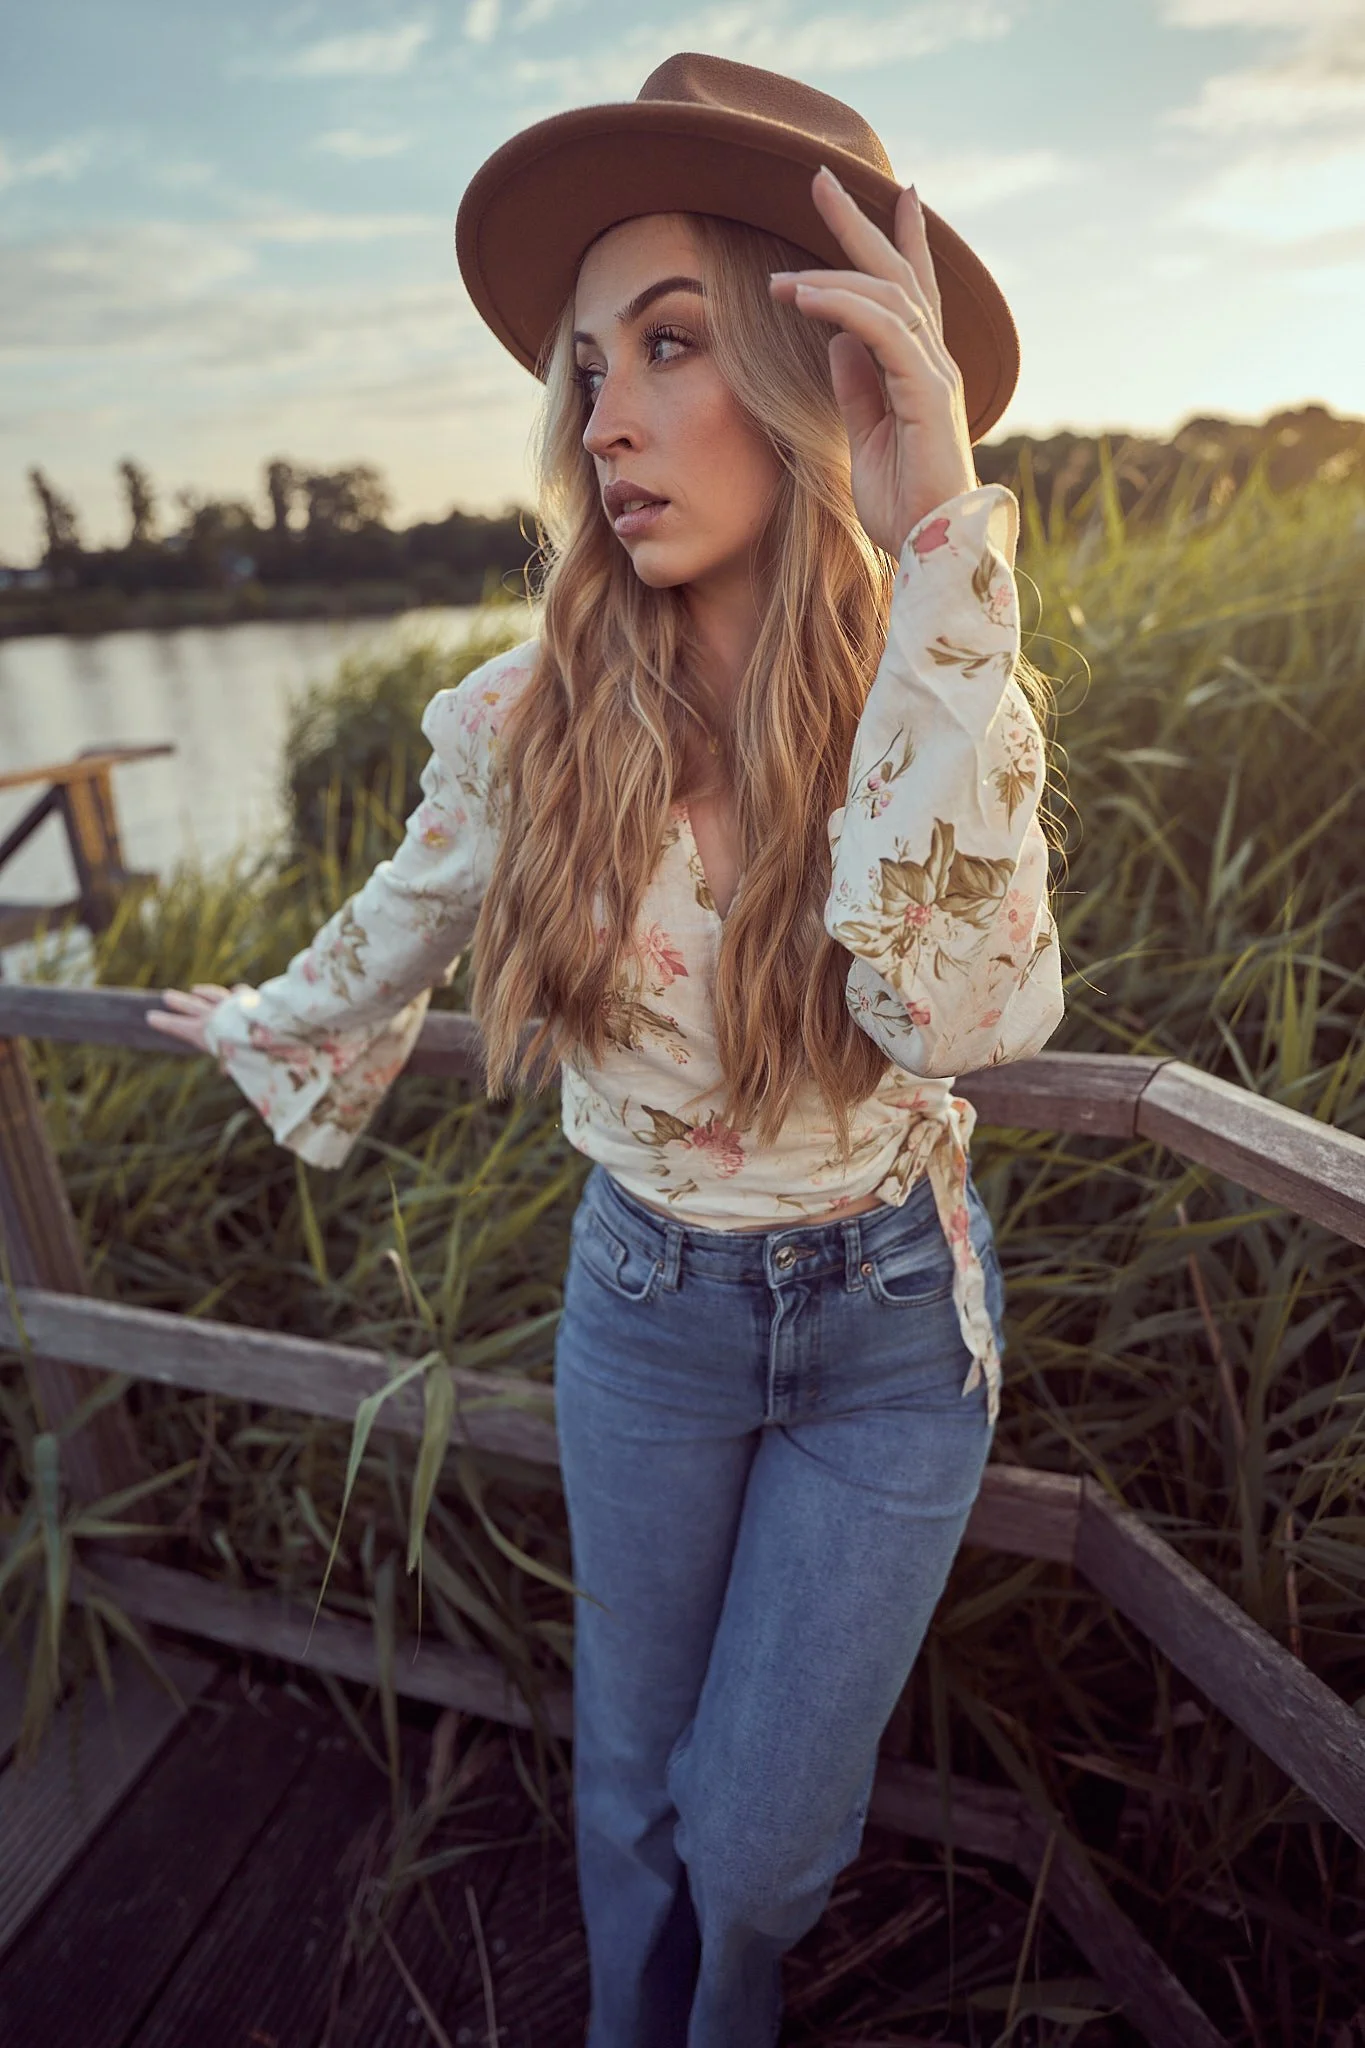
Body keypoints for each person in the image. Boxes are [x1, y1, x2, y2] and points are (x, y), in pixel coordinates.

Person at [146, 51, 1066, 2048]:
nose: (606, 420)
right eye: (585, 369)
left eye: (668, 342)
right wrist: (268, 1019)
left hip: (890, 1331)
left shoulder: (938, 686)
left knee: (757, 1844)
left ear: (821, 371)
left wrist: (938, 537)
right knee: (633, 1787)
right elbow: (397, 920)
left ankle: (734, 1996)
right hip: (643, 1312)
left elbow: (962, 1018)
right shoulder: (522, 717)